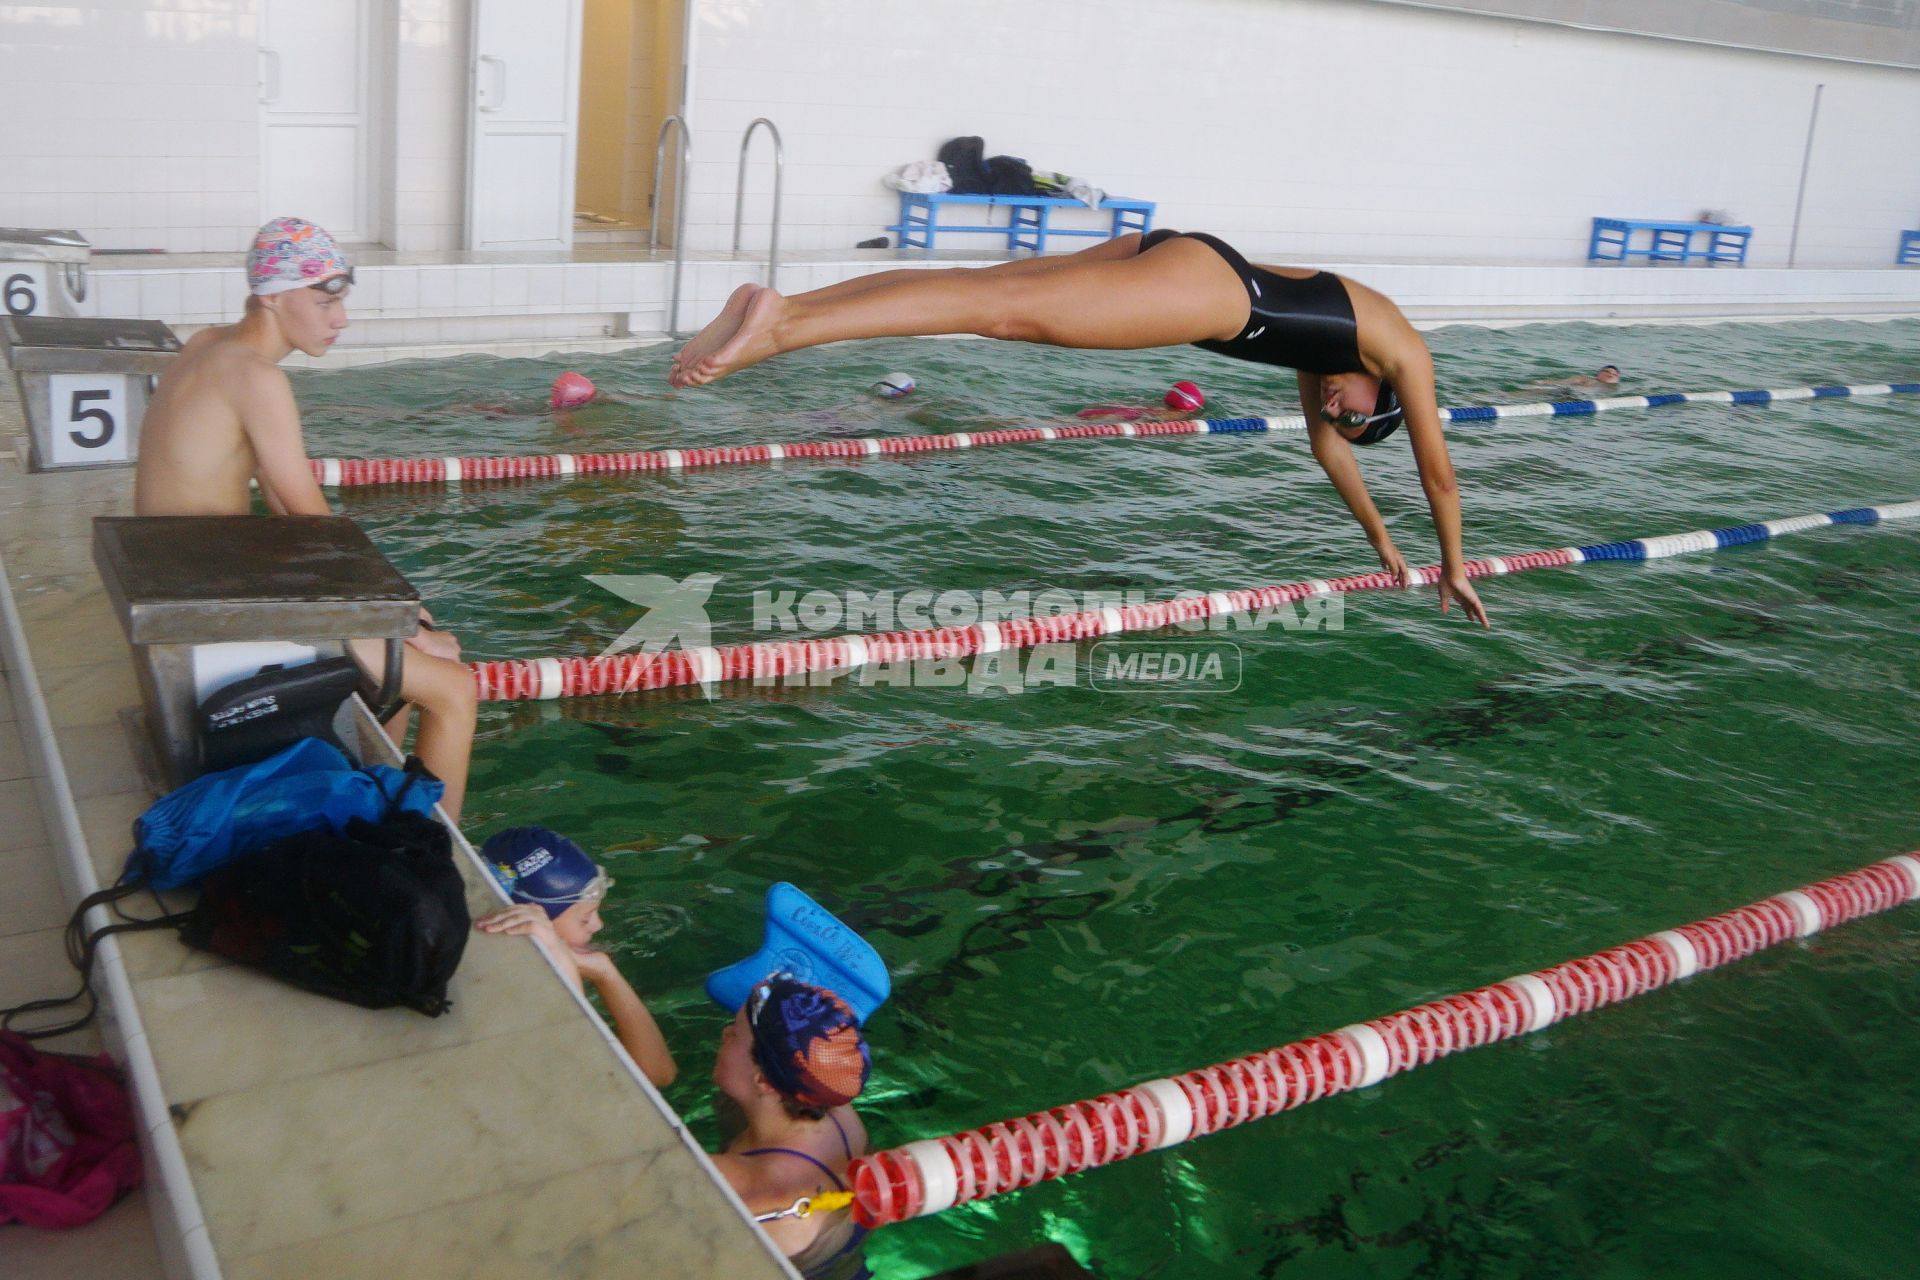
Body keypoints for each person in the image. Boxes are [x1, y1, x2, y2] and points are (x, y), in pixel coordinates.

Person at [668, 229, 1490, 627]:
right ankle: (782, 327)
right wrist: (1453, 564)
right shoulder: (1404, 351)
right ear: (1383, 395)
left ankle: (789, 310)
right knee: (1007, 314)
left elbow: (1323, 452)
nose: (1334, 412)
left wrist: (1381, 541)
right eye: (1352, 412)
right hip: (1214, 294)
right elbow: (1440, 475)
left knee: (985, 287)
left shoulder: (1341, 351)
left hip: (1191, 254)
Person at [133, 217, 477, 821]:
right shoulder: (256, 376)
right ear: (271, 296)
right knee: (454, 687)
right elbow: (309, 515)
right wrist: (395, 616)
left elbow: (281, 495)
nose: (339, 319)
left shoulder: (208, 343)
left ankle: (364, 808)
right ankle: (432, 858)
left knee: (400, 665)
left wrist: (390, 609)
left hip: (183, 574)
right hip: (217, 603)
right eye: (324, 302)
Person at [475, 826, 678, 1088]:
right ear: (534, 917)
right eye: (584, 918)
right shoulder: (519, 988)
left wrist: (601, 970)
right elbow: (658, 1075)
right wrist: (602, 973)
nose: (598, 925)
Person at [710, 977, 871, 1280]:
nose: (725, 1032)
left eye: (734, 1035)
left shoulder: (749, 1188)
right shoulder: (837, 1110)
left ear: (763, 1081)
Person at [1516, 364, 1621, 396]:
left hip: (1579, 399)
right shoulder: (1586, 379)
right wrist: (1544, 382)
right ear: (1597, 375)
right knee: (1539, 391)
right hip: (1569, 392)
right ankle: (1510, 395)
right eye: (1607, 372)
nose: (1611, 375)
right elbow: (1563, 382)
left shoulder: (1615, 390)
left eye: (1615, 374)